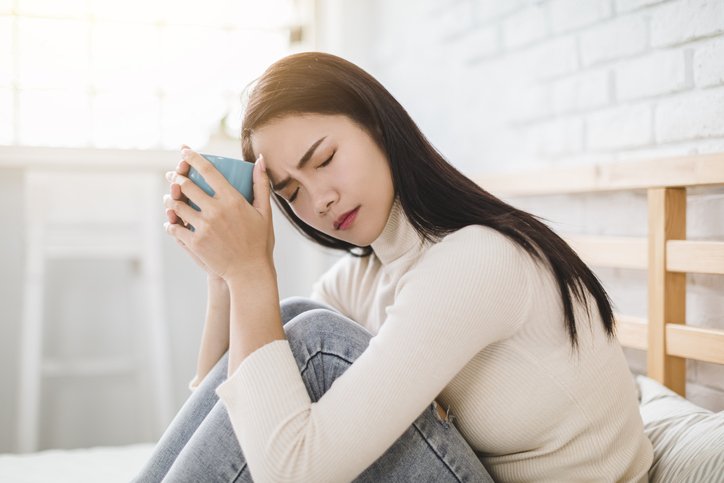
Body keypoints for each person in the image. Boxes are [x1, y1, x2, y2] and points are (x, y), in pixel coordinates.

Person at [134, 52, 653, 482]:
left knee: (309, 338)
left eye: (325, 159)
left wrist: (252, 272)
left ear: (377, 126)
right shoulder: (365, 277)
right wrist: (223, 274)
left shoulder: (478, 260)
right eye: (290, 192)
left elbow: (293, 473)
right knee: (291, 327)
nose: (320, 200)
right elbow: (235, 411)